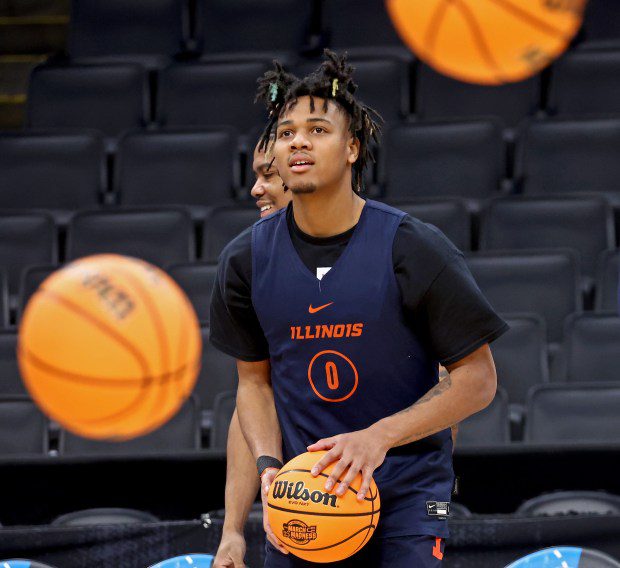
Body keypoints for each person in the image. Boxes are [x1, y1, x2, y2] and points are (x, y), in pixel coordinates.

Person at [210, 51, 507, 566]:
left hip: (408, 487)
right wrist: (267, 467)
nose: (297, 140)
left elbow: (477, 380)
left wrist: (379, 438)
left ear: (352, 148)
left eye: (317, 130)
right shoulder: (245, 258)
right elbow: (253, 385)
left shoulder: (414, 247)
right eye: (285, 132)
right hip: (306, 493)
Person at [213, 141, 292, 568]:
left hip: (392, 493)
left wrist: (430, 486)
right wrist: (232, 531)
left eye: (268, 175)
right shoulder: (246, 261)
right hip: (302, 502)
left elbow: (445, 379)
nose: (256, 190)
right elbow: (254, 398)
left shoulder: (394, 245)